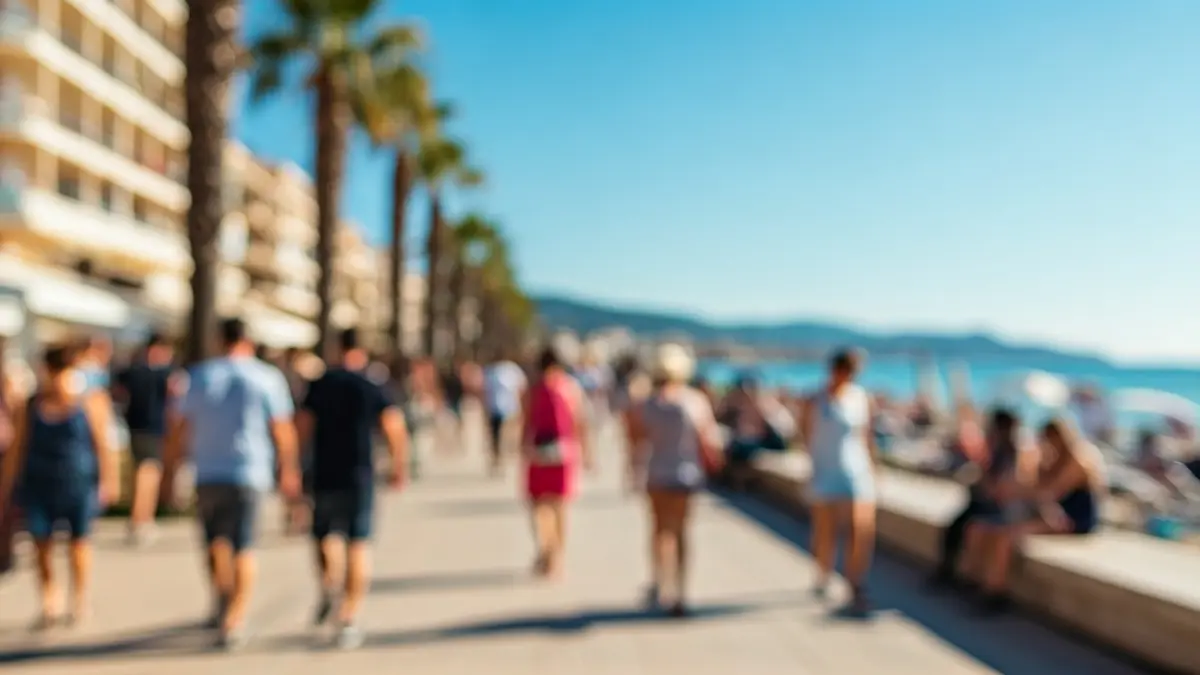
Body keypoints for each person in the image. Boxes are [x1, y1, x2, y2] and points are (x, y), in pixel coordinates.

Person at [162, 318, 301, 650]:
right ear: (248, 340)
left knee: (214, 543)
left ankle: (222, 599)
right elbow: (282, 428)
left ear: (219, 339)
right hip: (250, 471)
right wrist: (289, 469)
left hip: (207, 470)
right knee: (243, 545)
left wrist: (170, 470)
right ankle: (235, 616)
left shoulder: (199, 376)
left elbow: (179, 428)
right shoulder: (266, 377)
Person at [298, 329, 409, 649]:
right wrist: (399, 465)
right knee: (358, 542)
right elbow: (393, 426)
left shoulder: (320, 384)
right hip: (360, 474)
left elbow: (302, 425)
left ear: (337, 348)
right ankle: (348, 616)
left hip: (323, 473)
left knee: (323, 536)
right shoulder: (372, 385)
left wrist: (292, 465)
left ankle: (330, 585)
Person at [0, 344, 119, 627]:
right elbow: (17, 449)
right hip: (39, 482)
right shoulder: (31, 405)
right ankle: (50, 598)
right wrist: (5, 487)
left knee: (79, 541)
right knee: (41, 542)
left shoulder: (90, 401)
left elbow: (104, 444)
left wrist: (109, 480)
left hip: (79, 482)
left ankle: (79, 598)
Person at [624, 344, 722, 617]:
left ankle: (660, 582)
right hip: (686, 474)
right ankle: (681, 591)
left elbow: (636, 438)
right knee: (681, 533)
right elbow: (708, 440)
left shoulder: (648, 403)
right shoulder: (694, 401)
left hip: (657, 473)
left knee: (659, 531)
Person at [967, 417, 1101, 612]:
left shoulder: (1077, 461)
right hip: (1053, 515)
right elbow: (1034, 486)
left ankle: (995, 591)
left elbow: (1051, 492)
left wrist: (1018, 490)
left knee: (1007, 536)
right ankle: (977, 581)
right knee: (985, 528)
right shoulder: (1051, 460)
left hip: (1074, 518)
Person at [801, 349, 877, 614]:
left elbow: (866, 436)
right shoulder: (815, 399)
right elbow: (805, 435)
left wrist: (875, 469)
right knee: (826, 530)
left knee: (860, 527)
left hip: (857, 470)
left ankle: (855, 582)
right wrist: (812, 467)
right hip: (825, 471)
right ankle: (823, 571)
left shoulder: (860, 398)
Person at [955, 408, 1039, 612]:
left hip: (1017, 510)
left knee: (999, 537)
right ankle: (973, 581)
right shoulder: (998, 451)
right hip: (1004, 509)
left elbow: (1010, 486)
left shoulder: (1020, 451)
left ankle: (994, 591)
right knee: (974, 529)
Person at [522, 346, 591, 578]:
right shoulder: (570, 387)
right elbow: (579, 421)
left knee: (539, 504)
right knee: (560, 506)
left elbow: (526, 421)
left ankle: (546, 546)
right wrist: (586, 452)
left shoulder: (532, 389)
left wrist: (522, 448)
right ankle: (558, 554)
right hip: (564, 450)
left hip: (538, 450)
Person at [113, 332, 178, 547]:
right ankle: (140, 518)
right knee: (148, 472)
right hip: (153, 429)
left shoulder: (131, 371)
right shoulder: (164, 374)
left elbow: (118, 393)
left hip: (135, 427)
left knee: (143, 471)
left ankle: (143, 517)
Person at [483, 355, 527, 476]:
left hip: (510, 408)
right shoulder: (492, 371)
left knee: (508, 436)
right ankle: (497, 458)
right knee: (496, 436)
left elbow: (521, 388)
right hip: (495, 408)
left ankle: (505, 458)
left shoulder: (511, 369)